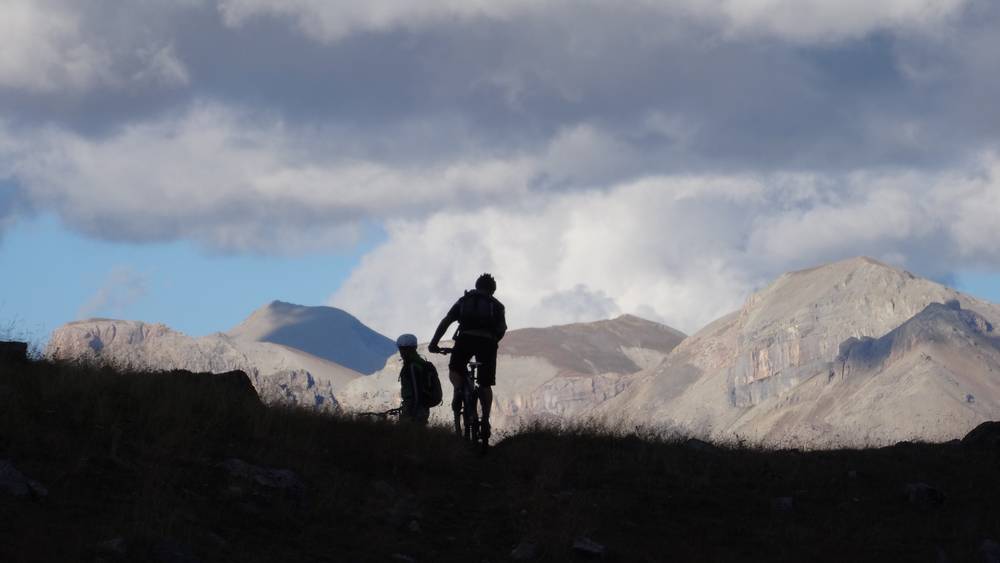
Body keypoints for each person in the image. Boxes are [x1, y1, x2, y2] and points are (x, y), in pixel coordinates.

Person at [428, 273, 507, 440]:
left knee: (455, 368)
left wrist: (434, 343)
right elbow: (502, 329)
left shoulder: (464, 301)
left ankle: (458, 391)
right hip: (487, 344)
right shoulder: (497, 305)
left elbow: (446, 321)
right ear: (493, 290)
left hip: (465, 340)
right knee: (485, 383)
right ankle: (485, 420)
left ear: (476, 285)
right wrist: (493, 341)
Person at [396, 333, 440, 425]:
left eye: (402, 349)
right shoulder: (420, 363)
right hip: (422, 407)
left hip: (414, 409)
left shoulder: (411, 366)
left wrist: (410, 412)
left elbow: (415, 392)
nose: (401, 352)